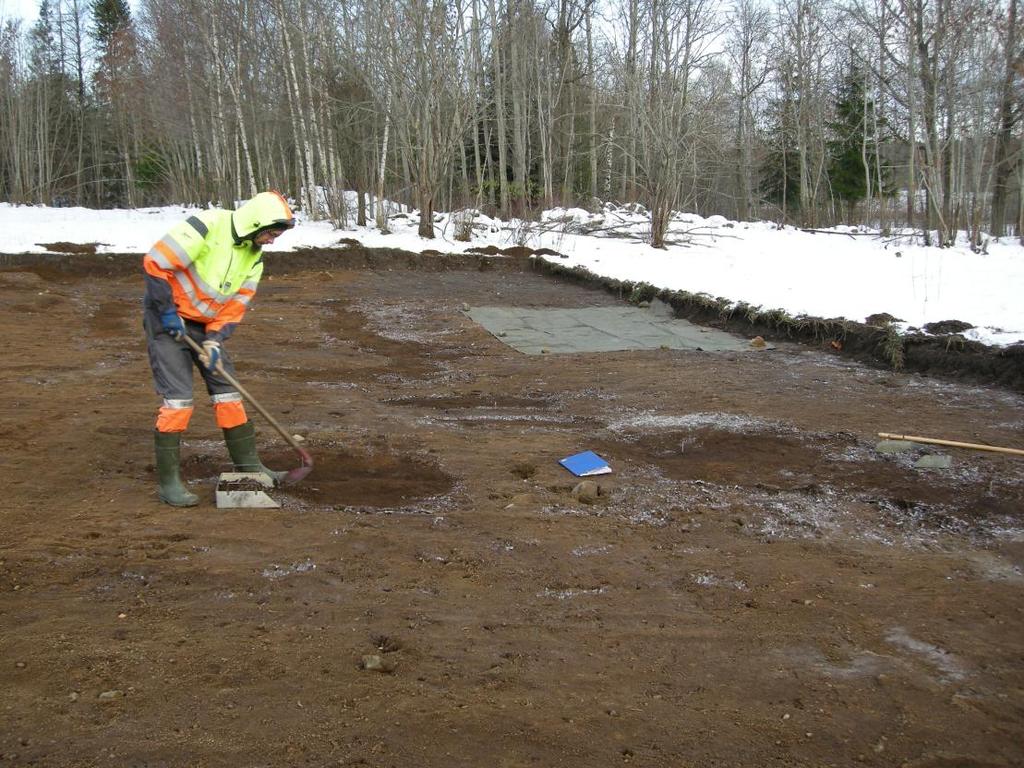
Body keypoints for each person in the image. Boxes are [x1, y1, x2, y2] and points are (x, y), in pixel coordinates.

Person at [143, 191, 296, 507]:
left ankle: (250, 470)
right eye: (270, 233)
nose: (271, 241)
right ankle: (169, 484)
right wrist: (167, 310)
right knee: (179, 401)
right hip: (167, 319)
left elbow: (236, 304)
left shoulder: (254, 257)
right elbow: (156, 262)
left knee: (228, 395)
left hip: (205, 326)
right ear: (255, 224)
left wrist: (214, 340)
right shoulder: (207, 226)